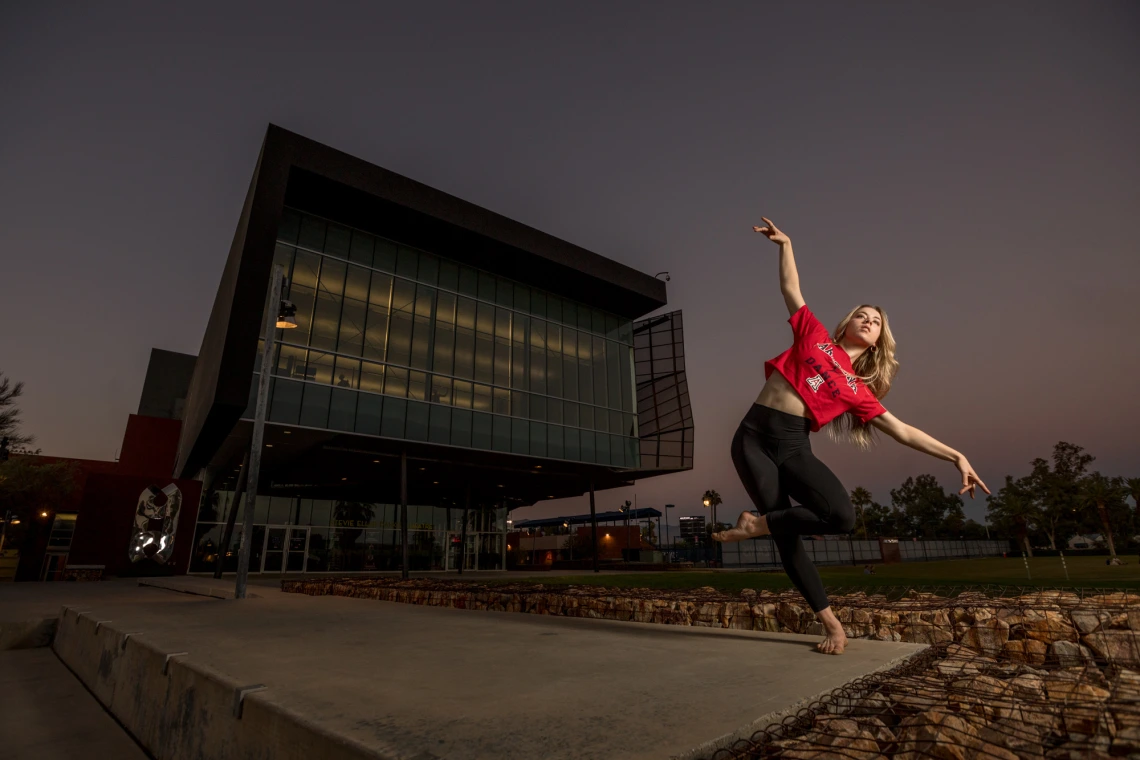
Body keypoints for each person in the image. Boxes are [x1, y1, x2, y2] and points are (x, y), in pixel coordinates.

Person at [713, 218, 990, 655]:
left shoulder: (860, 391)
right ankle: (832, 625)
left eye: (875, 321)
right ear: (845, 325)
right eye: (861, 315)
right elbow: (791, 288)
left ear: (879, 340)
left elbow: (902, 431)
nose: (867, 320)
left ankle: (756, 525)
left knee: (840, 516)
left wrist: (956, 456)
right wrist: (785, 244)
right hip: (752, 437)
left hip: (792, 444)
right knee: (787, 539)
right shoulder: (815, 336)